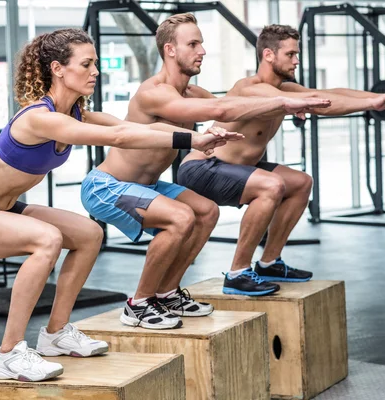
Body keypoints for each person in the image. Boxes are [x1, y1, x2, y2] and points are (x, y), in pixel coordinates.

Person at [0, 28, 239, 382]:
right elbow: (119, 137)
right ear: (58, 69)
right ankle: (8, 353)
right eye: (87, 64)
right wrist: (194, 139)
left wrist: (198, 136)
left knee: (89, 234)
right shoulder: (39, 117)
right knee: (46, 240)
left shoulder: (76, 113)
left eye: (95, 63)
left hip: (1, 208)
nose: (95, 71)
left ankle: (56, 334)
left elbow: (129, 127)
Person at [81, 13, 331, 329]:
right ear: (170, 50)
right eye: (193, 44)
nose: (201, 51)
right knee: (180, 217)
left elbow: (233, 108)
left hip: (148, 185)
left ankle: (167, 292)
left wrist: (288, 105)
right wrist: (284, 101)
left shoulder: (194, 94)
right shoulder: (154, 92)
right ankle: (139, 303)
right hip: (108, 186)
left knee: (206, 212)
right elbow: (221, 110)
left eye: (202, 44)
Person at [178, 24, 385, 295]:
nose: (296, 60)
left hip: (235, 167)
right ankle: (237, 273)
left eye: (297, 54)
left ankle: (269, 262)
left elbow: (329, 93)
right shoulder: (251, 88)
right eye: (291, 54)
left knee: (300, 182)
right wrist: (369, 104)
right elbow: (319, 102)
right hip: (202, 167)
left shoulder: (286, 87)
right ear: (268, 55)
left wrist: (381, 97)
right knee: (271, 185)